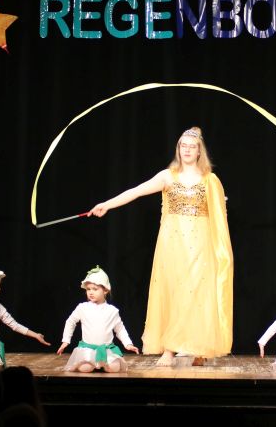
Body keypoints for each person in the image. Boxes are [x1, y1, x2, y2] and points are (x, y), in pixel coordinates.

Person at [89, 126, 233, 367]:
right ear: (178, 149)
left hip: (200, 244)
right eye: (183, 146)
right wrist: (108, 204)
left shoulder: (210, 180)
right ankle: (169, 349)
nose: (187, 150)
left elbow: (218, 216)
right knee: (174, 292)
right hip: (173, 244)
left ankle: (200, 347)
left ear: (199, 151)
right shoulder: (168, 176)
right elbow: (136, 191)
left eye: (192, 147)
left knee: (199, 293)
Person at [56, 265, 140, 372]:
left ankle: (103, 363)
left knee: (114, 368)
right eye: (88, 289)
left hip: (106, 349)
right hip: (88, 350)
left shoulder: (112, 310)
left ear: (105, 290)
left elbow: (120, 329)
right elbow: (70, 322)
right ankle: (92, 363)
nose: (91, 292)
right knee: (85, 368)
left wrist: (128, 344)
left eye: (95, 289)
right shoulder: (82, 307)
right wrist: (66, 340)